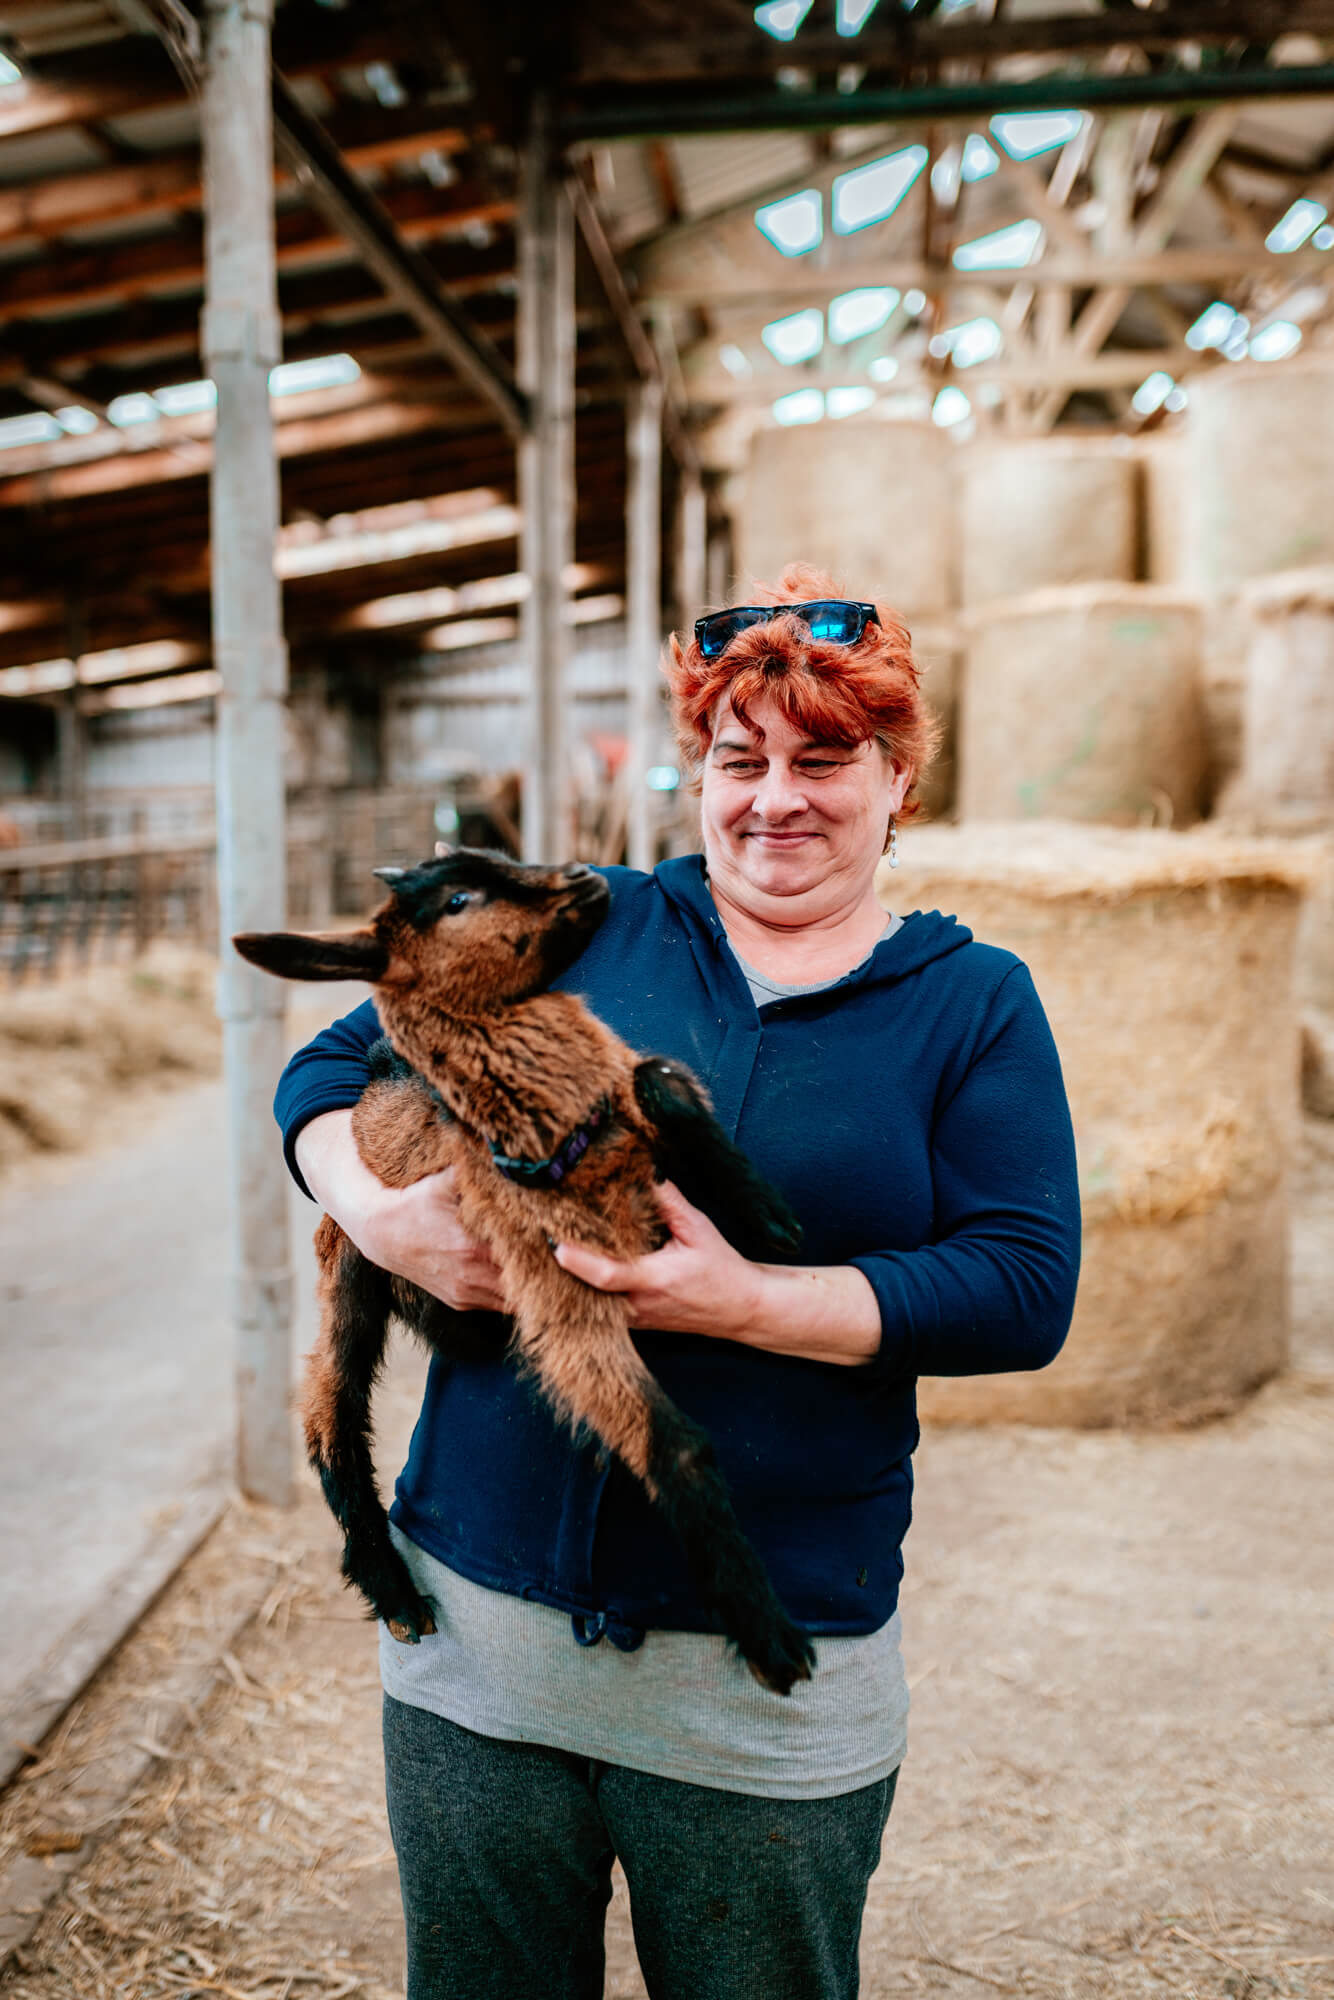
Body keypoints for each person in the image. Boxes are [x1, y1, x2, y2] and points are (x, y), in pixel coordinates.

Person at [273, 563, 1081, 2000]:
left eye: (824, 762)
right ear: (698, 774)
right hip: (480, 1657)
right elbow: (333, 1062)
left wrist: (746, 1301)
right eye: (739, 760)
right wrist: (375, 1213)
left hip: (761, 1685)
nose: (776, 800)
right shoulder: (593, 920)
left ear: (899, 780)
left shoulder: (969, 1001)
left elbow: (1020, 1287)